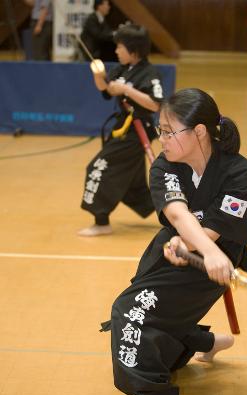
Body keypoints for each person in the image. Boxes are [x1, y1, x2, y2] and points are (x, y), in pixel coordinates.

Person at [103, 88, 247, 395]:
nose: (162, 139)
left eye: (169, 131)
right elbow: (177, 214)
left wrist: (203, 249)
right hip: (173, 249)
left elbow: (214, 232)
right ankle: (207, 343)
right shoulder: (165, 165)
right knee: (150, 307)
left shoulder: (241, 174)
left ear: (199, 132)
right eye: (161, 131)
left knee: (129, 310)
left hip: (211, 264)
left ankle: (153, 392)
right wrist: (187, 241)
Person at [78, 24, 164, 237]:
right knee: (132, 178)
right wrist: (99, 75)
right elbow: (107, 90)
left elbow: (155, 104)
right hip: (122, 128)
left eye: (120, 47)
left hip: (136, 131)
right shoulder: (122, 69)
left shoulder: (149, 73)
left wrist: (126, 89)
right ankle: (173, 213)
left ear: (133, 50)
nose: (116, 50)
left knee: (97, 168)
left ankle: (101, 221)